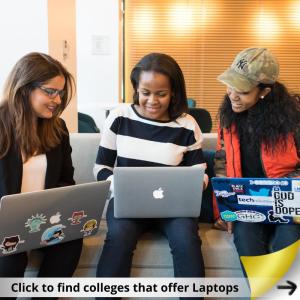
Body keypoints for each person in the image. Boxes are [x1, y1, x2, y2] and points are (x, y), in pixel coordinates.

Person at [94, 53, 208, 299]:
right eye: (145, 92)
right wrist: (118, 186)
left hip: (173, 206)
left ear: (174, 92)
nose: (152, 101)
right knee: (118, 237)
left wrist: (197, 182)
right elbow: (101, 167)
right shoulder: (119, 117)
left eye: (161, 94)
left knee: (186, 239)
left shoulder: (187, 125)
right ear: (136, 89)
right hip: (128, 203)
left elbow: (199, 170)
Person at [0, 53, 83, 291]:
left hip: (43, 220)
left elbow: (66, 180)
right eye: (50, 91)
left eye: (61, 93)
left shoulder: (58, 129)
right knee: (10, 260)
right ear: (24, 88)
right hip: (5, 225)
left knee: (71, 244)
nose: (57, 100)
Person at [214, 47, 300, 264]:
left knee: (287, 244)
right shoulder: (227, 118)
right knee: (245, 239)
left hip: (288, 203)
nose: (232, 95)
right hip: (247, 204)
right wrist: (226, 211)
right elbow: (222, 164)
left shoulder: (293, 118)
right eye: (230, 86)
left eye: (242, 91)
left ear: (264, 92)